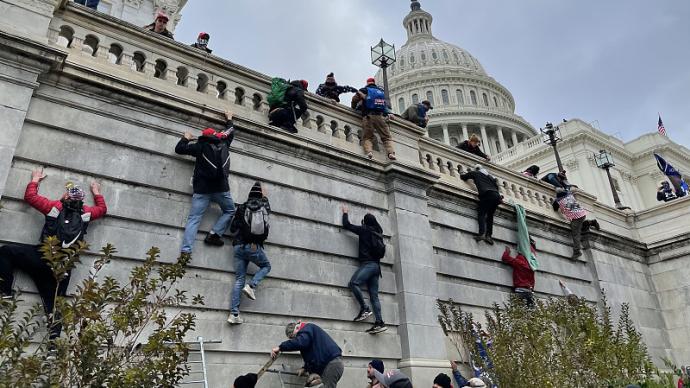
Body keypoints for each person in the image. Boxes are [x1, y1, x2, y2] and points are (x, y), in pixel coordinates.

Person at [0, 169, 107, 339]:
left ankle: (5, 291)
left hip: (40, 258)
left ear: (65, 197)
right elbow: (102, 209)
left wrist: (35, 179)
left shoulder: (54, 207)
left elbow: (30, 197)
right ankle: (52, 347)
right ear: (81, 201)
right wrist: (96, 192)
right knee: (56, 306)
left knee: (5, 251)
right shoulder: (86, 214)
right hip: (62, 268)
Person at [175, 110, 236, 257]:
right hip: (221, 188)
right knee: (230, 210)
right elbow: (231, 132)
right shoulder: (223, 142)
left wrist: (185, 138)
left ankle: (186, 251)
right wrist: (229, 119)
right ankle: (214, 234)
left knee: (194, 219)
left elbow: (179, 149)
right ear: (215, 134)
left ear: (203, 136)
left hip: (202, 190)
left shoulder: (200, 146)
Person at [227, 182, 271, 324]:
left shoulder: (241, 207)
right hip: (252, 246)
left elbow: (233, 229)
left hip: (238, 246)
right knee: (266, 266)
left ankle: (234, 314)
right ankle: (251, 286)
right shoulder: (264, 207)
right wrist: (265, 197)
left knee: (239, 279)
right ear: (260, 196)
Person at [341, 205, 386, 334]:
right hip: (377, 268)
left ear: (365, 222)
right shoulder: (378, 232)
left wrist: (345, 212)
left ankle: (365, 309)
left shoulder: (364, 230)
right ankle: (379, 322)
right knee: (374, 296)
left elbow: (347, 225)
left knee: (353, 283)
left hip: (368, 265)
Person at [271, 321, 344, 388]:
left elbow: (301, 342)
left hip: (331, 364)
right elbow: (312, 355)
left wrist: (280, 347)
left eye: (294, 337)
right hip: (330, 364)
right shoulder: (308, 332)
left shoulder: (307, 329)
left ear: (297, 329)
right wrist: (305, 368)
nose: (295, 339)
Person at [354, 78, 396, 160]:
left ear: (367, 83)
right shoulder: (381, 92)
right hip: (380, 117)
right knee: (386, 137)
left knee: (367, 137)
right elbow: (384, 106)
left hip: (368, 116)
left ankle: (369, 152)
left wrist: (354, 107)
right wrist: (389, 113)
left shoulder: (364, 90)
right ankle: (391, 153)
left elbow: (354, 99)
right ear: (374, 83)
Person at [553, 188, 600, 259]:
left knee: (576, 234)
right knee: (580, 226)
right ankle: (592, 222)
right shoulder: (569, 194)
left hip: (576, 217)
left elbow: (555, 208)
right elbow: (568, 190)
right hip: (581, 213)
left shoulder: (559, 201)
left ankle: (577, 252)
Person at [460, 164, 501, 245]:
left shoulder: (476, 173)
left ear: (476, 169)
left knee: (481, 213)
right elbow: (497, 187)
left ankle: (481, 234)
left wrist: (462, 173)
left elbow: (464, 177)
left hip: (487, 194)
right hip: (496, 196)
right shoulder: (490, 177)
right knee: (490, 216)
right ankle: (489, 236)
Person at [502, 242, 536, 306]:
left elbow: (505, 258)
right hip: (530, 292)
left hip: (520, 291)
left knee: (519, 312)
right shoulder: (532, 265)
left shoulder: (519, 262)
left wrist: (507, 251)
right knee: (531, 313)